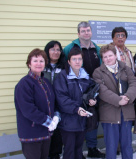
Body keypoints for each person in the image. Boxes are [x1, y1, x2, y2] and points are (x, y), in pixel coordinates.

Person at [63, 21, 104, 158]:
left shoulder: (97, 49)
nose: (86, 33)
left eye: (88, 30)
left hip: (92, 90)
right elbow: (65, 67)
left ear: (91, 32)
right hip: (75, 88)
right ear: (78, 33)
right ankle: (78, 152)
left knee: (91, 118)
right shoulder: (70, 48)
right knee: (79, 119)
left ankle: (92, 148)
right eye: (83, 31)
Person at [93, 44, 136, 159]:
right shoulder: (98, 72)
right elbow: (102, 91)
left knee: (127, 145)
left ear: (115, 55)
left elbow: (134, 83)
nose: (108, 59)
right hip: (109, 114)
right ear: (102, 59)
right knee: (111, 146)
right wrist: (118, 100)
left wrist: (128, 97)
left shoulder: (125, 68)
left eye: (110, 56)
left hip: (126, 112)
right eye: (105, 57)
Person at [14, 48, 60, 159]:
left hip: (46, 134)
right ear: (29, 63)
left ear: (45, 63)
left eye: (41, 61)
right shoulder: (24, 84)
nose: (38, 64)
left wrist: (56, 116)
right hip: (31, 134)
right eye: (35, 61)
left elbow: (53, 103)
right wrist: (49, 122)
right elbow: (28, 110)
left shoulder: (46, 83)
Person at [54, 48, 97, 159]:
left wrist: (92, 100)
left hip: (82, 121)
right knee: (69, 151)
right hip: (68, 121)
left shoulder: (85, 76)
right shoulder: (62, 76)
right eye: (74, 59)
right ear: (69, 61)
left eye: (79, 59)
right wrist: (76, 109)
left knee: (78, 150)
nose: (77, 61)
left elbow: (90, 93)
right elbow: (61, 98)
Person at [43, 40, 66, 159]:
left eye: (58, 50)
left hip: (60, 105)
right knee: (46, 132)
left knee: (58, 134)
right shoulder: (42, 67)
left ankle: (55, 155)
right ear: (47, 51)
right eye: (53, 49)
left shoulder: (64, 67)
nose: (56, 52)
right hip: (45, 106)